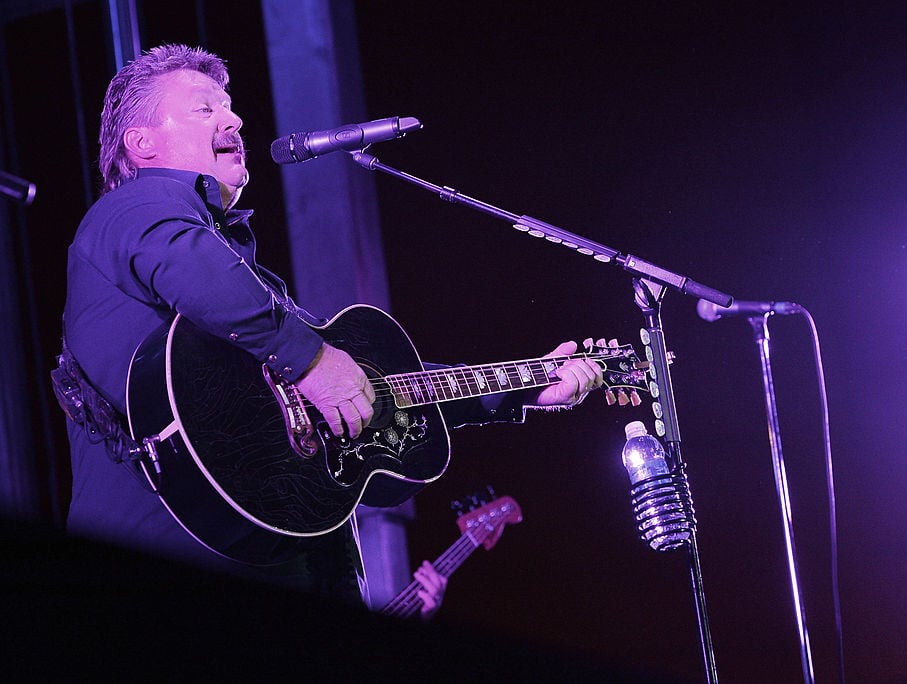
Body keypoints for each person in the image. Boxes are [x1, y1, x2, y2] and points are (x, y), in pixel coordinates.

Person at [57, 44, 602, 615]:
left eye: (231, 106)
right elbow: (200, 275)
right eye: (204, 109)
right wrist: (314, 361)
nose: (235, 119)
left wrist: (526, 386)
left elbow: (384, 388)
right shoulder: (132, 211)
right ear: (142, 144)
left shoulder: (254, 292)